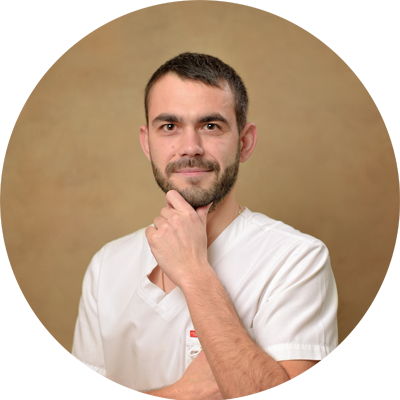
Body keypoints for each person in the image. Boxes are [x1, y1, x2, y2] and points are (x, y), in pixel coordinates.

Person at [72, 52, 338, 400]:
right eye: (169, 127)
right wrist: (176, 395)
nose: (190, 148)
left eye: (211, 126)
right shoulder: (106, 266)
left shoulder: (297, 259)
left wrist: (194, 272)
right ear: (147, 143)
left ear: (244, 142)